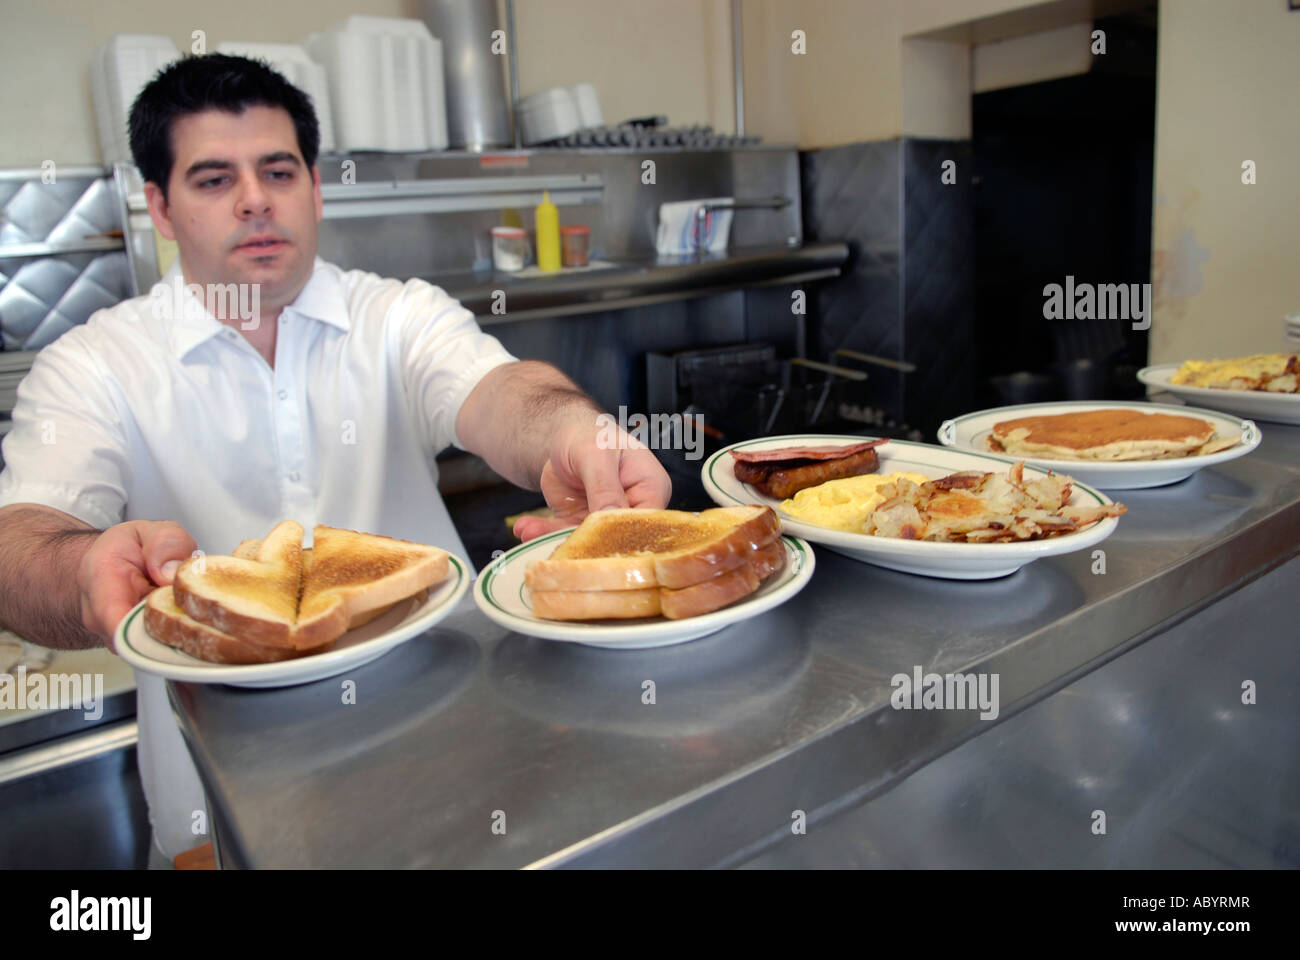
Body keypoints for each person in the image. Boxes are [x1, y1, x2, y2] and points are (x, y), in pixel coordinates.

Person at [0, 54, 670, 867]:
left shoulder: (394, 316)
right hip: (223, 816)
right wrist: (82, 569)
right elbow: (21, 539)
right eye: (213, 179)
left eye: (277, 170)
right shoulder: (95, 366)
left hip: (461, 763)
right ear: (160, 208)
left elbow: (499, 393)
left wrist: (572, 431)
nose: (255, 199)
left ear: (315, 189)